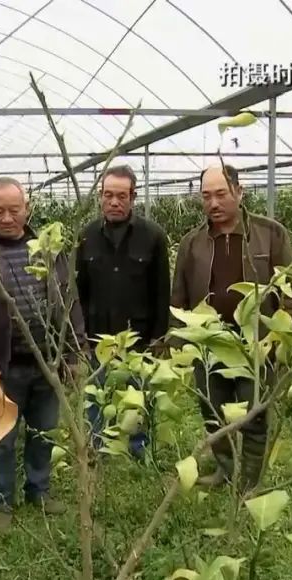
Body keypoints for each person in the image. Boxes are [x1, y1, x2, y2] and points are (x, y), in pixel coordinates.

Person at [0, 176, 86, 531]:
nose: (7, 217)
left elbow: (69, 304)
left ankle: (38, 491)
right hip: (2, 369)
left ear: (27, 208)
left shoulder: (48, 250)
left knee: (44, 432)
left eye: (14, 209)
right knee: (1, 439)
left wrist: (74, 355)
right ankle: (0, 501)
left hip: (47, 364)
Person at [171, 164, 292, 491]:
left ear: (239, 193)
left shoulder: (270, 234)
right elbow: (180, 295)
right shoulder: (192, 243)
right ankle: (226, 469)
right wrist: (178, 342)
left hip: (256, 343)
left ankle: (250, 481)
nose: (213, 203)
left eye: (221, 194)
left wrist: (287, 340)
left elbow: (291, 291)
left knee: (254, 414)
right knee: (213, 410)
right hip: (209, 342)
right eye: (206, 196)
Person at [75, 165, 170, 459]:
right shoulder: (87, 236)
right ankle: (97, 446)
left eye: (121, 196)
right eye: (108, 195)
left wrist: (158, 337)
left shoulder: (152, 237)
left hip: (138, 338)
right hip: (97, 338)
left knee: (138, 395)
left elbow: (161, 291)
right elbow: (79, 291)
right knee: (96, 395)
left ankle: (138, 447)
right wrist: (79, 338)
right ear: (100, 197)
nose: (114, 202)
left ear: (133, 197)